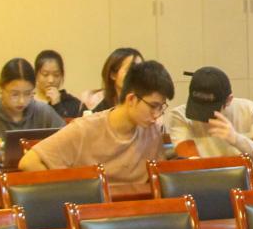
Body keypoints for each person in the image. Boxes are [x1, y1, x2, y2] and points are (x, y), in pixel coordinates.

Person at [20, 59, 173, 189]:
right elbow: (29, 162)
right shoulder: (84, 129)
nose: (157, 115)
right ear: (131, 99)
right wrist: (70, 192)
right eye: (153, 106)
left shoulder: (152, 132)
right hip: (90, 212)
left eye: (161, 107)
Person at [167, 67, 253, 159]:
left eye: (210, 110)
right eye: (197, 107)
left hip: (249, 177)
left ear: (229, 100)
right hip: (207, 178)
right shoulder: (179, 116)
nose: (203, 116)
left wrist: (236, 139)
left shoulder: (249, 110)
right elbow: (191, 164)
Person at [0, 58, 65, 145]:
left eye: (28, 93)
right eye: (15, 94)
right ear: (1, 88)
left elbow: (66, 137)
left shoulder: (42, 111)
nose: (22, 101)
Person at [34, 50, 86, 121]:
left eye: (56, 75)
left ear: (62, 75)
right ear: (36, 75)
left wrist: (57, 105)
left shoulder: (74, 105)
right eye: (45, 74)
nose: (51, 80)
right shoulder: (28, 102)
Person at [93, 47, 143, 112]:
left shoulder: (147, 106)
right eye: (131, 69)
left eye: (141, 70)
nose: (137, 75)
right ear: (113, 74)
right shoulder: (98, 110)